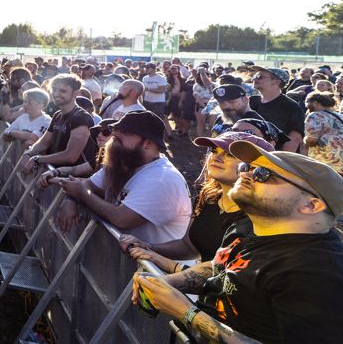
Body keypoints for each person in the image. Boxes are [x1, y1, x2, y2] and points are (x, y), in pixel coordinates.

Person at [131, 141, 343, 344]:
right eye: (247, 167)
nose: (246, 174)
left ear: (311, 205)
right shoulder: (247, 227)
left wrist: (186, 312)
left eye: (263, 174)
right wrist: (169, 282)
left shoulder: (318, 272)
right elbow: (222, 266)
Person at [119, 131, 274, 263]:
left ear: (255, 167)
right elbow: (189, 246)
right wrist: (148, 247)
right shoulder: (209, 196)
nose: (216, 158)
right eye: (214, 151)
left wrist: (170, 268)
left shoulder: (259, 215)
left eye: (229, 154)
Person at [52, 111, 191, 242]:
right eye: (116, 130)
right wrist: (72, 199)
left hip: (159, 266)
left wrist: (81, 194)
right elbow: (89, 185)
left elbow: (122, 219)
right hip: (126, 263)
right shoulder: (123, 162)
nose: (115, 135)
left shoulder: (161, 178)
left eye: (125, 132)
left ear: (148, 144)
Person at [19, 74, 94, 173]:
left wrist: (37, 159)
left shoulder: (81, 118)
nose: (56, 93)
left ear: (76, 93)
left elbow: (71, 156)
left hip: (70, 180)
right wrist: (28, 153)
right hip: (53, 176)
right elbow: (44, 142)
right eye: (54, 89)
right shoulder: (58, 114)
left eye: (63, 91)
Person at [248, 66, 303, 151]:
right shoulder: (251, 101)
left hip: (273, 157)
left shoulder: (290, 106)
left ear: (276, 82)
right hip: (248, 153)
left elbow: (294, 139)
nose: (254, 79)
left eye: (259, 77)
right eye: (255, 76)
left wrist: (280, 161)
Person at [303, 91, 343, 174]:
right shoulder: (340, 116)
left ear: (315, 103)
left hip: (326, 161)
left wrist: (304, 141)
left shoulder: (315, 115)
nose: (306, 106)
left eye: (307, 102)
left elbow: (311, 140)